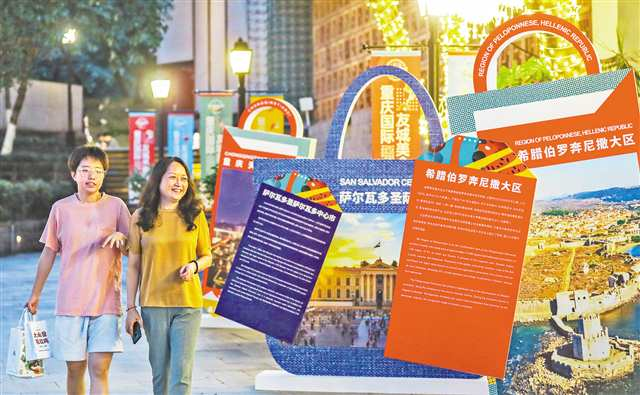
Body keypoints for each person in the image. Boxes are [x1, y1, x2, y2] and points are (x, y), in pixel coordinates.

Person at [26, 145, 130, 395]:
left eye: (97, 171)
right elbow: (48, 252)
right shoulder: (60, 209)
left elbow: (133, 250)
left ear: (104, 175)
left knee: (99, 368)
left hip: (106, 302)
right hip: (70, 303)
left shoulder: (116, 207)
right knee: (74, 369)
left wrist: (122, 237)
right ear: (74, 174)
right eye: (85, 170)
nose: (91, 176)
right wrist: (35, 294)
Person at [125, 157, 212, 395]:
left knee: (181, 374)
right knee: (160, 373)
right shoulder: (141, 217)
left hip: (188, 304)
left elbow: (207, 256)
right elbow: (133, 265)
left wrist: (194, 266)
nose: (179, 183)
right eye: (173, 177)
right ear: (158, 180)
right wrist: (130, 307)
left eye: (184, 178)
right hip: (153, 304)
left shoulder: (195, 214)